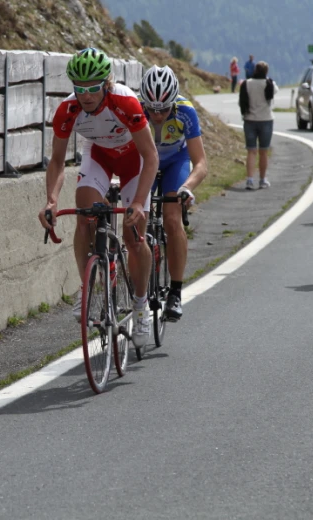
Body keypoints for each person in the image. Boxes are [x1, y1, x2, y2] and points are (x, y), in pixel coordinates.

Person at [39, 48, 159, 346]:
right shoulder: (68, 109)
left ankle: (141, 305)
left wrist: (138, 203)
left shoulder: (124, 101)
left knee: (134, 238)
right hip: (100, 156)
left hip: (135, 161)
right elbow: (56, 162)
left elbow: (151, 155)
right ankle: (89, 288)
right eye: (80, 88)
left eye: (93, 88)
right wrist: (51, 201)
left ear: (106, 84)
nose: (86, 95)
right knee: (84, 215)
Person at [138, 65, 207, 321]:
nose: (157, 115)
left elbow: (200, 163)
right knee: (137, 219)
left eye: (164, 109)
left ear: (173, 103)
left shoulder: (185, 111)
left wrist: (186, 187)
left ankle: (175, 292)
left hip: (174, 163)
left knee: (171, 218)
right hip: (144, 162)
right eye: (152, 109)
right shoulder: (134, 109)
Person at [239, 61, 278, 190]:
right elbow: (274, 92)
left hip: (249, 119)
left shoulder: (247, 83)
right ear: (266, 72)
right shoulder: (269, 83)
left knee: (251, 151)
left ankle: (249, 180)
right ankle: (262, 180)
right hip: (266, 119)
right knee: (263, 151)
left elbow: (242, 102)